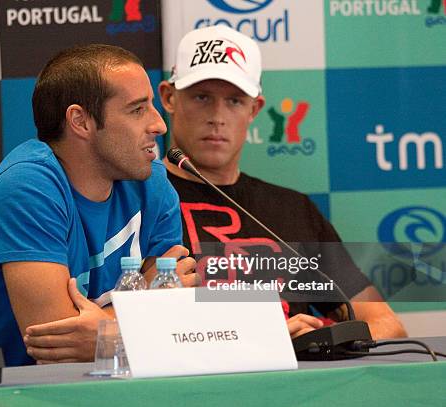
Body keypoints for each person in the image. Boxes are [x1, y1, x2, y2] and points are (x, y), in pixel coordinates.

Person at [0, 44, 197, 366]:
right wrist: (143, 305)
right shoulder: (26, 188)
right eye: (137, 110)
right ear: (80, 121)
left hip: (98, 384)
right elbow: (56, 346)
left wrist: (112, 328)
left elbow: (173, 313)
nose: (159, 125)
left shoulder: (152, 183)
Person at [158, 26, 406, 339]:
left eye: (234, 101)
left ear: (255, 109)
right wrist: (264, 339)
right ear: (168, 97)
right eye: (202, 97)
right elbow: (127, 330)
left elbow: (387, 325)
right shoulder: (137, 201)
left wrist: (321, 341)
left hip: (297, 386)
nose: (217, 116)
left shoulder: (292, 208)